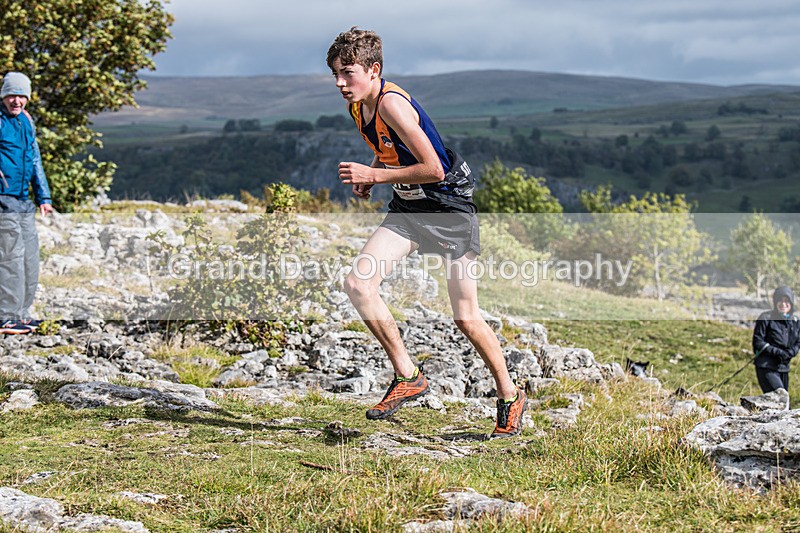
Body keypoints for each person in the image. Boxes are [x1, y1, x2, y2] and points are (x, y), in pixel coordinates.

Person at [327, 28, 527, 437]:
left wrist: (374, 175)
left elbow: (434, 168)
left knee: (465, 318)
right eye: (335, 74)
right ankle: (408, 375)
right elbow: (389, 149)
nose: (339, 83)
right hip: (409, 210)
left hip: (449, 210)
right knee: (358, 284)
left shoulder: (392, 104)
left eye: (347, 73)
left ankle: (510, 395)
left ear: (374, 69)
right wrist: (374, 173)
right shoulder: (358, 107)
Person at [0, 72, 53, 335]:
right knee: (11, 258)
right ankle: (5, 317)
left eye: (21, 95)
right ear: (3, 96)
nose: (16, 100)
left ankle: (21, 314)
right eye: (12, 95)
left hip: (23, 200)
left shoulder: (26, 122)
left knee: (30, 258)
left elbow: (34, 161)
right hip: (2, 199)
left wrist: (44, 197)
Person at [752, 285, 800, 393]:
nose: (783, 304)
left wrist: (790, 353)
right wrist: (777, 352)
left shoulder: (795, 321)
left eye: (786, 301)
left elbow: (798, 341)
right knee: (780, 396)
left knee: (785, 404)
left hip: (784, 367)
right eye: (780, 301)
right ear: (775, 302)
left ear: (791, 303)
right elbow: (758, 341)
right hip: (766, 366)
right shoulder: (766, 318)